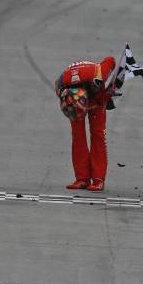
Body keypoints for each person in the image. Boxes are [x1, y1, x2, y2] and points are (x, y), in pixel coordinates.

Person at [55, 57, 116, 191]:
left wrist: (109, 90)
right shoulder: (61, 87)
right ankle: (82, 179)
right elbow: (68, 102)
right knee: (77, 135)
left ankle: (98, 180)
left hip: (98, 97)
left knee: (98, 134)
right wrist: (73, 109)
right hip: (73, 101)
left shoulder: (98, 79)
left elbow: (111, 60)